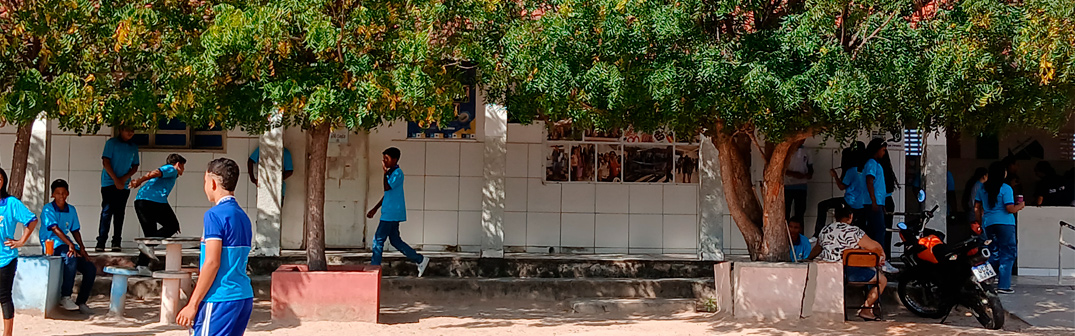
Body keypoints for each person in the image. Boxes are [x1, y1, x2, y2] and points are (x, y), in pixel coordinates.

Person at [176, 158, 254, 335]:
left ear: (212, 182)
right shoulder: (243, 217)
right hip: (243, 296)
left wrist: (192, 304)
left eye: (204, 181)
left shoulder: (214, 215)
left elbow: (212, 262)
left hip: (219, 297)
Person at [808, 206, 886, 321]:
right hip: (849, 272)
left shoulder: (825, 229)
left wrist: (807, 259)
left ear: (835, 216)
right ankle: (866, 309)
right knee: (882, 280)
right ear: (850, 217)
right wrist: (882, 255)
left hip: (829, 272)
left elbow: (817, 249)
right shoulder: (854, 232)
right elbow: (875, 247)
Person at [366, 147, 430, 276]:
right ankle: (420, 259)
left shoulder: (397, 173)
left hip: (391, 213)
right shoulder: (391, 173)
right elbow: (387, 194)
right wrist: (375, 208)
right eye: (383, 159)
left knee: (378, 240)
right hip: (390, 211)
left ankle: (374, 269)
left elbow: (387, 187)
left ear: (394, 159)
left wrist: (384, 173)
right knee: (395, 240)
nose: (384, 161)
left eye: (387, 159)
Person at [39, 179, 96, 314]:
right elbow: (54, 228)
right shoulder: (48, 208)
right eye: (58, 193)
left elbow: (75, 230)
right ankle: (65, 296)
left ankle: (81, 301)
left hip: (67, 243)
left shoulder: (71, 210)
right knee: (70, 258)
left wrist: (81, 248)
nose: (61, 196)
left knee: (90, 268)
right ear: (53, 195)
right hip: (52, 244)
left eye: (64, 193)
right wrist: (70, 245)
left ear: (68, 193)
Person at [129, 154, 187, 276]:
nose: (183, 170)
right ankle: (145, 246)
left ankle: (141, 266)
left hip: (141, 201)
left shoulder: (168, 175)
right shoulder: (171, 169)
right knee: (171, 226)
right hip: (151, 202)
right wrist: (139, 180)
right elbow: (155, 172)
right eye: (183, 166)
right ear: (178, 164)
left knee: (150, 235)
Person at [0, 168, 39, 336]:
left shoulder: (11, 203)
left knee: (4, 297)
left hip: (5, 258)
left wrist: (21, 241)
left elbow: (32, 220)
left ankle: (7, 334)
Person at [976, 161, 1024, 294]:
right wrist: (1020, 206)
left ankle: (982, 281)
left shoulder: (982, 189)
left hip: (989, 224)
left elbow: (976, 208)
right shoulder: (1006, 188)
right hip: (1006, 224)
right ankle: (1003, 285)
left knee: (992, 252)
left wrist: (980, 223)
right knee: (1008, 254)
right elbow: (1009, 209)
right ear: (1002, 173)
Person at [97, 127, 140, 252]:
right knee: (107, 212)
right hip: (109, 182)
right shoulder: (111, 143)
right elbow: (105, 162)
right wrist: (116, 179)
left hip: (124, 183)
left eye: (132, 130)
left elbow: (135, 166)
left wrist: (123, 179)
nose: (130, 132)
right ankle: (101, 241)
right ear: (120, 130)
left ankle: (116, 241)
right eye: (127, 129)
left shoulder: (133, 146)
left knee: (119, 213)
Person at [815, 143, 864, 237]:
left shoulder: (851, 171)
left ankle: (818, 233)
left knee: (822, 205)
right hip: (862, 204)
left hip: (850, 202)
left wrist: (835, 176)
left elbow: (842, 187)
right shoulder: (866, 168)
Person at [861, 139, 888, 247]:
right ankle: (878, 253)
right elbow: (869, 181)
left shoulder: (876, 163)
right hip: (872, 201)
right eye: (883, 150)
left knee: (874, 229)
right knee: (879, 229)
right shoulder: (871, 163)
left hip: (877, 201)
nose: (884, 153)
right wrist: (873, 200)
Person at [784, 145, 814, 218]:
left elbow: (811, 169)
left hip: (801, 186)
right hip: (786, 185)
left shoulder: (807, 151)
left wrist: (808, 175)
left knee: (800, 213)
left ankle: (799, 229)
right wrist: (793, 174)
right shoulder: (785, 150)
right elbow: (780, 169)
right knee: (785, 213)